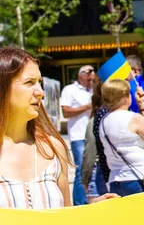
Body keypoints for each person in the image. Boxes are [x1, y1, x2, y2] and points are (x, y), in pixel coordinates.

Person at [0, 47, 116, 209]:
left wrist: (92, 210)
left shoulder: (53, 148)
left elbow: (66, 215)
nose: (40, 92)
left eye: (40, 83)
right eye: (29, 83)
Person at [99, 79, 144, 197]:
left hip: (116, 180)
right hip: (139, 178)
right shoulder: (133, 118)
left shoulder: (103, 121)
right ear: (124, 98)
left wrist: (141, 106)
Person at [60, 64, 95, 206]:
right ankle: (80, 203)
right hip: (78, 135)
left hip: (93, 135)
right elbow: (66, 112)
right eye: (88, 74)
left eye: (93, 75)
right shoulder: (70, 90)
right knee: (81, 169)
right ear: (81, 75)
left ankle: (90, 198)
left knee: (92, 169)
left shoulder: (94, 91)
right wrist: (86, 107)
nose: (91, 78)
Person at [81, 79, 109, 202]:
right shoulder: (132, 118)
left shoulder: (96, 120)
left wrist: (85, 178)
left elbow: (90, 152)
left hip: (99, 175)